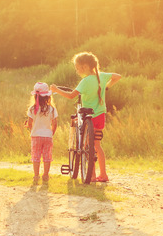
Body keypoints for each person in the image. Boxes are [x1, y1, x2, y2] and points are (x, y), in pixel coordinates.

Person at [51, 52, 121, 182]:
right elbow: (118, 76)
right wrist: (106, 87)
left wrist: (56, 90)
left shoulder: (85, 81)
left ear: (84, 67)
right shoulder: (102, 76)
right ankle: (104, 174)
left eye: (77, 67)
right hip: (100, 116)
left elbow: (71, 95)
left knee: (87, 147)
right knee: (97, 146)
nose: (77, 70)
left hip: (89, 116)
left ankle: (92, 176)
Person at [26, 82, 58, 182]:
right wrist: (51, 133)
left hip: (36, 136)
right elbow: (55, 123)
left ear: (35, 97)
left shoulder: (32, 109)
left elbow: (29, 123)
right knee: (47, 156)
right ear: (47, 96)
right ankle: (45, 175)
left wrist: (32, 130)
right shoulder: (52, 109)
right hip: (47, 136)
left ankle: (36, 176)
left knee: (36, 156)